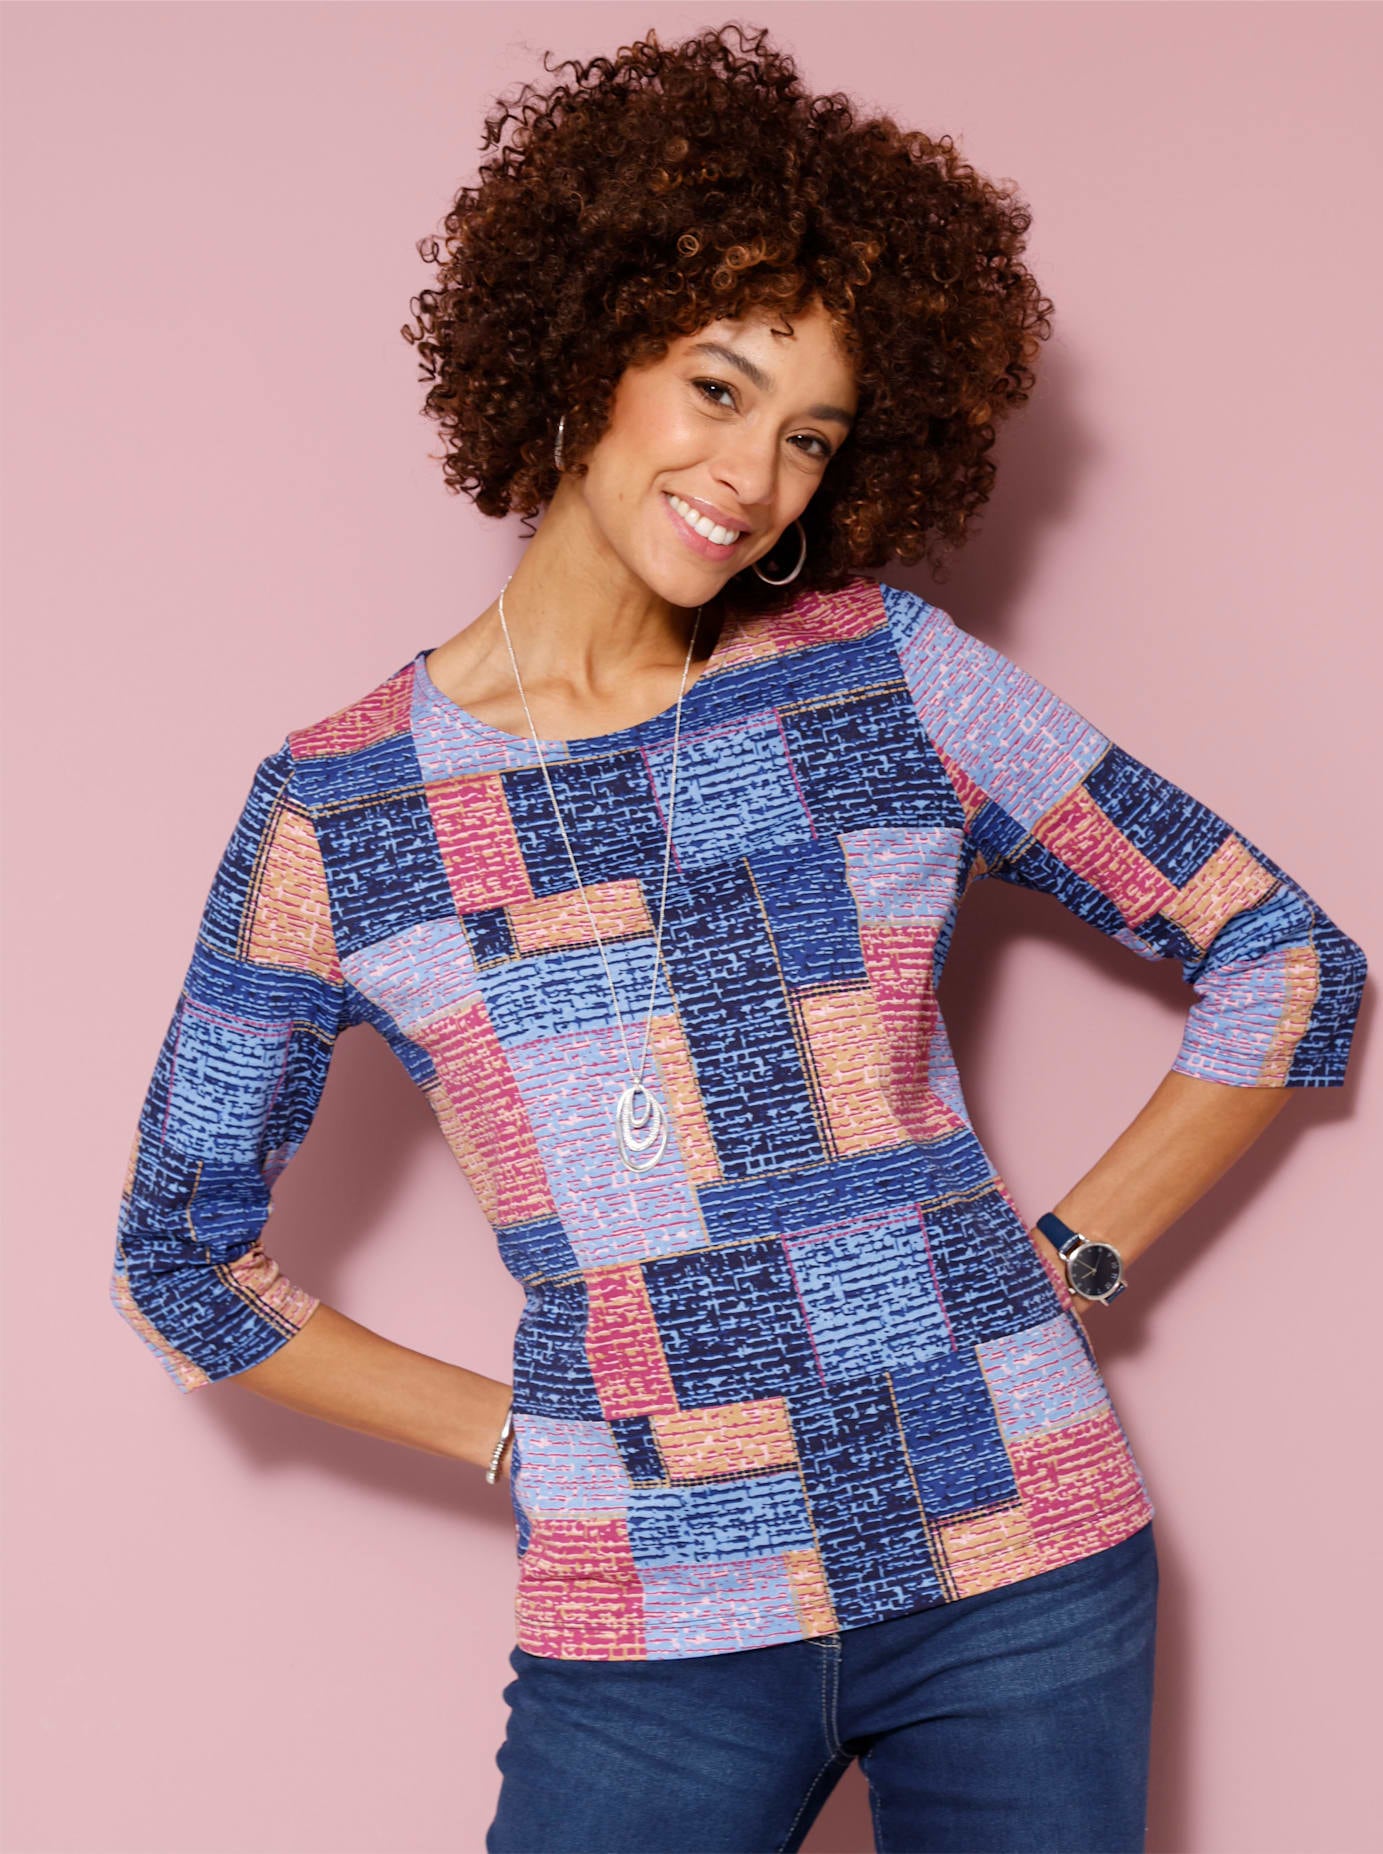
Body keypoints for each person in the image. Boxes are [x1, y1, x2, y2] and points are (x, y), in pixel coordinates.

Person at [109, 23, 1366, 1854]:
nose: (753, 475)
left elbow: (1285, 955)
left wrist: (1070, 1262)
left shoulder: (883, 676)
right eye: (716, 386)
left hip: (1019, 1561)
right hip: (655, 1620)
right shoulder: (347, 810)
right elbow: (178, 1254)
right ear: (587, 350)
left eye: (809, 438)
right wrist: (515, 1437)